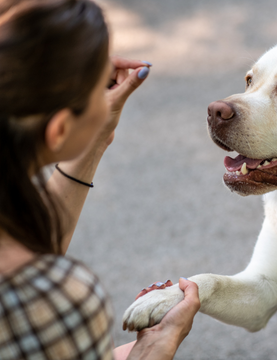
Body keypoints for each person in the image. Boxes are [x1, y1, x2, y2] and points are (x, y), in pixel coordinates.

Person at [0, 0, 200, 359]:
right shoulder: (54, 302)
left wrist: (93, 142)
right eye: (96, 85)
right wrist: (153, 350)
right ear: (59, 128)